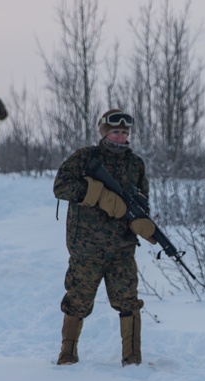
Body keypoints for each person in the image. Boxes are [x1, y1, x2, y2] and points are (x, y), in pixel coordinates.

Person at [53, 109, 148, 367]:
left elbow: (142, 202)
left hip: (122, 249)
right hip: (86, 248)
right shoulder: (85, 158)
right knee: (77, 302)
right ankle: (67, 356)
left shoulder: (135, 164)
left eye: (125, 132)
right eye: (115, 132)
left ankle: (132, 359)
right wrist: (97, 194)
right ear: (104, 132)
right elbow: (60, 187)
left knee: (128, 301)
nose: (120, 137)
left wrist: (142, 221)